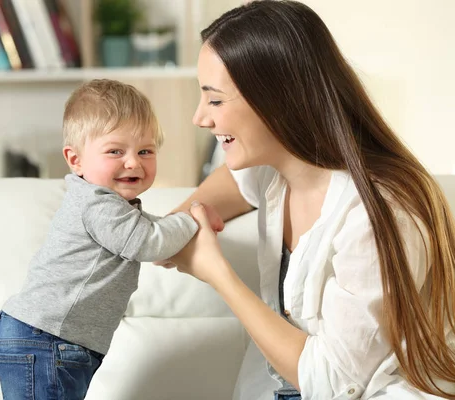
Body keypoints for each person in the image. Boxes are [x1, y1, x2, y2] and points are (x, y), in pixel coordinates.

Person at [159, 1, 455, 399]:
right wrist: (180, 222)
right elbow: (233, 179)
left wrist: (216, 273)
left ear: (276, 100)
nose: (200, 117)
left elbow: (332, 382)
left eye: (214, 100)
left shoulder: (380, 211)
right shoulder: (273, 169)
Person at [0, 79, 224, 400]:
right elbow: (148, 242)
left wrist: (178, 230)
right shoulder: (96, 203)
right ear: (76, 161)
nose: (133, 162)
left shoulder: (107, 206)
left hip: (45, 338)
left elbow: (147, 231)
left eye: (145, 150)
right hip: (48, 339)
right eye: (115, 151)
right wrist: (192, 219)